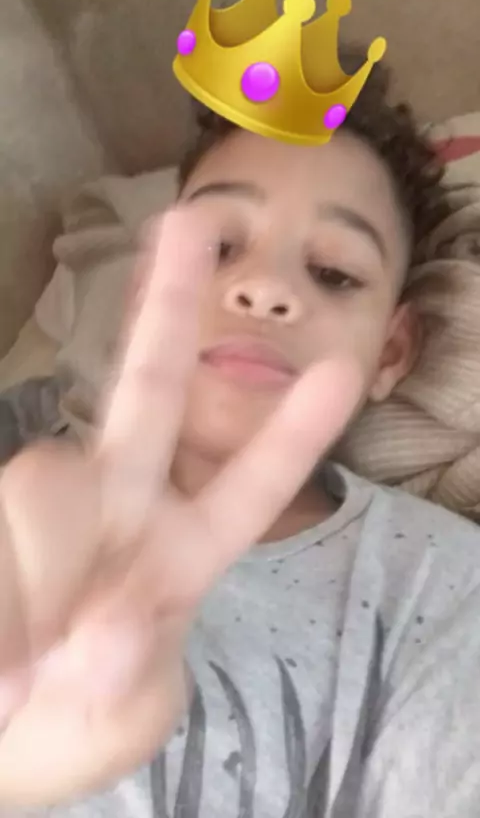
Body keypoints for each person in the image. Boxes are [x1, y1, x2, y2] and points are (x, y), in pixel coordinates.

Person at [1, 47, 480, 818]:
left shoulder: (446, 589)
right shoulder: (20, 462)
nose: (265, 288)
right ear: (144, 293)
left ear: (391, 353)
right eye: (220, 248)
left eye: (334, 271)